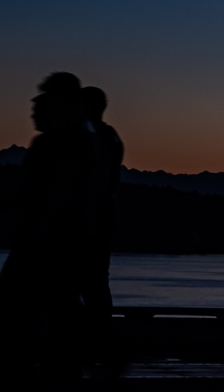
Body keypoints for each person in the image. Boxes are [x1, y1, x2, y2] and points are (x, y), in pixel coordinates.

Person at [0, 72, 94, 387]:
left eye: (43, 99)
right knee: (53, 303)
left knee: (25, 299)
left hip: (50, 236)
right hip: (59, 235)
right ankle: (45, 366)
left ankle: (25, 368)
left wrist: (40, 227)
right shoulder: (73, 138)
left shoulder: (64, 140)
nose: (34, 106)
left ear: (61, 102)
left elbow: (59, 191)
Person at [79, 85, 125, 370]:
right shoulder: (108, 137)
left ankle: (104, 345)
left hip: (90, 220)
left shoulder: (95, 139)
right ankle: (101, 342)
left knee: (89, 282)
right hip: (100, 219)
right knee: (94, 282)